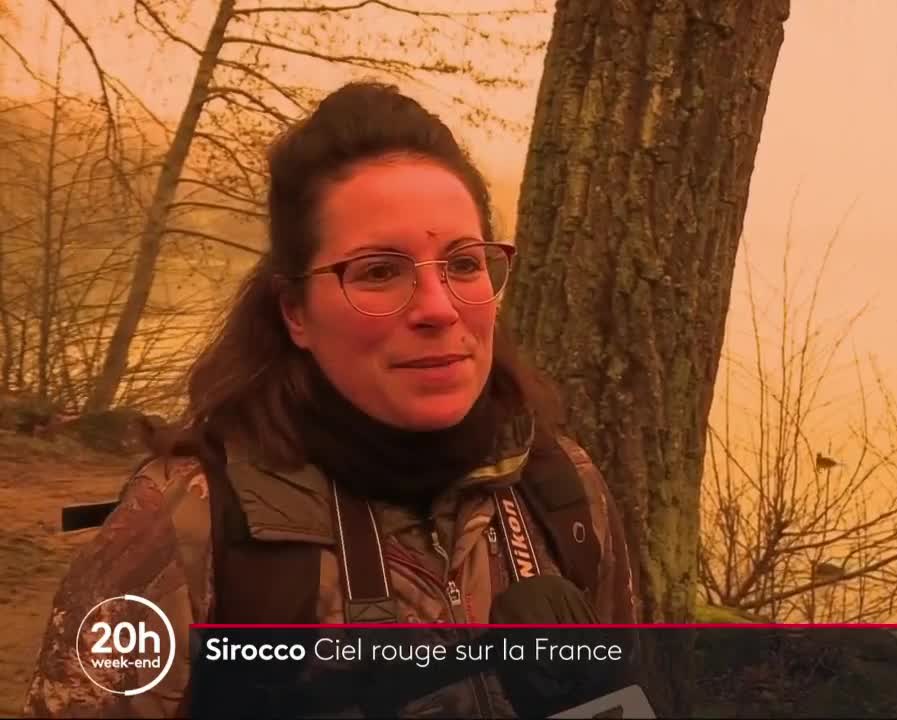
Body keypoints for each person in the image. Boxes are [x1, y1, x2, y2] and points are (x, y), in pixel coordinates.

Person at [23, 81, 636, 718]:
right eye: (377, 271)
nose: (437, 308)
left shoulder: (561, 489)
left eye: (463, 263)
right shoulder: (187, 528)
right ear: (295, 313)